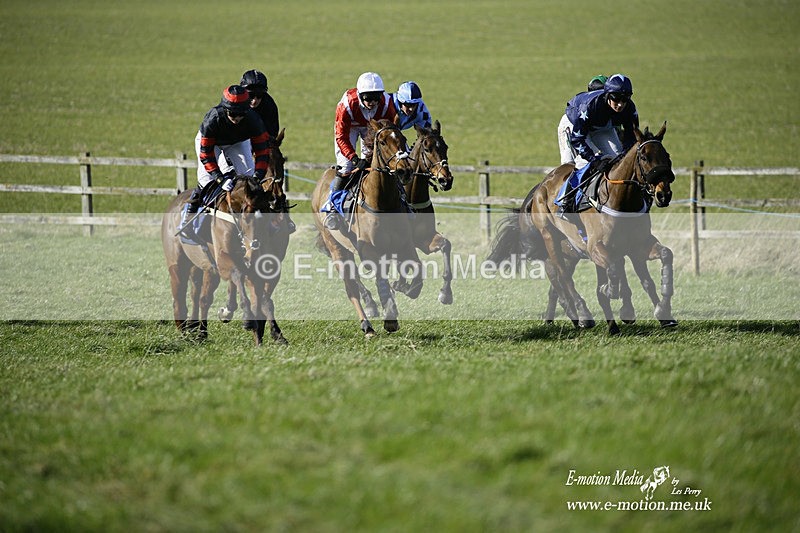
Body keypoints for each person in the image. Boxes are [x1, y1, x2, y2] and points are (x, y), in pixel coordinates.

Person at [183, 85, 271, 224]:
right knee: (205, 180)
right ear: (225, 109)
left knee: (249, 178)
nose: (236, 118)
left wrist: (258, 176)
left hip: (237, 142)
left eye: (241, 114)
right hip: (212, 144)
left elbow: (262, 152)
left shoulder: (253, 120)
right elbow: (206, 155)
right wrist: (220, 179)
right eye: (232, 114)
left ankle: (259, 217)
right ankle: (189, 213)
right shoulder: (213, 119)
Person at [555, 74, 639, 217]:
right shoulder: (591, 105)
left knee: (618, 159)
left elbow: (631, 139)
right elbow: (577, 139)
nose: (620, 104)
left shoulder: (630, 109)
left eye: (625, 99)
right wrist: (595, 160)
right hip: (574, 126)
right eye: (616, 99)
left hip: (602, 127)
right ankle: (566, 202)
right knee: (579, 164)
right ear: (607, 95)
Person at [322, 72, 397, 229]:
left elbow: (390, 131)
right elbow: (341, 136)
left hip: (372, 128)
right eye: (368, 98)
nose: (373, 102)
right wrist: (354, 158)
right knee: (346, 166)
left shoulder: (386, 103)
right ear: (360, 95)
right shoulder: (347, 105)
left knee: (377, 165)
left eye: (376, 97)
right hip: (350, 128)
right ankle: (332, 209)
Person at [240, 69, 280, 139]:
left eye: (259, 95)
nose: (255, 100)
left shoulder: (270, 106)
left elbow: (272, 134)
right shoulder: (234, 102)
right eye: (251, 95)